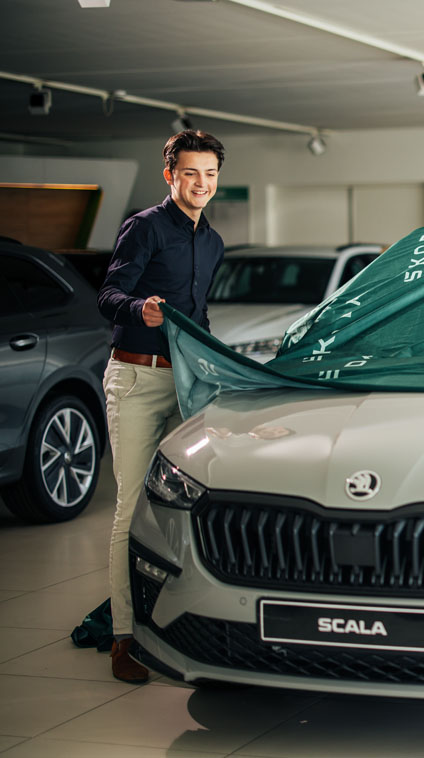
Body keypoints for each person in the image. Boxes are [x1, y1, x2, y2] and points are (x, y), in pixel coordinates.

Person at [97, 130, 226, 683]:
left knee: (186, 507)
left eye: (210, 175)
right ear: (170, 175)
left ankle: (179, 624)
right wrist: (139, 308)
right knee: (130, 511)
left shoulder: (213, 242)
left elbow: (199, 321)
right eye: (191, 173)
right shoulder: (145, 227)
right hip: (135, 381)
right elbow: (108, 296)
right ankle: (123, 638)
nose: (202, 184)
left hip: (186, 385)